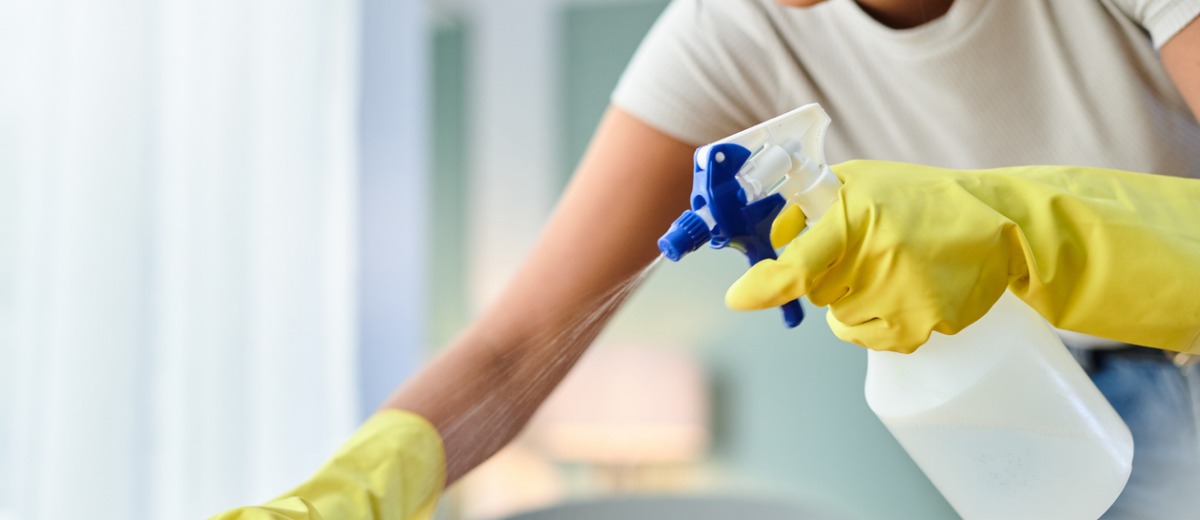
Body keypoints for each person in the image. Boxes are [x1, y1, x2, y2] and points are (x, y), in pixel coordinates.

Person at [215, 0, 1200, 518]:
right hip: (1057, 385)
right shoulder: (730, 28)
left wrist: (1022, 226)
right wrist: (353, 489)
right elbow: (519, 344)